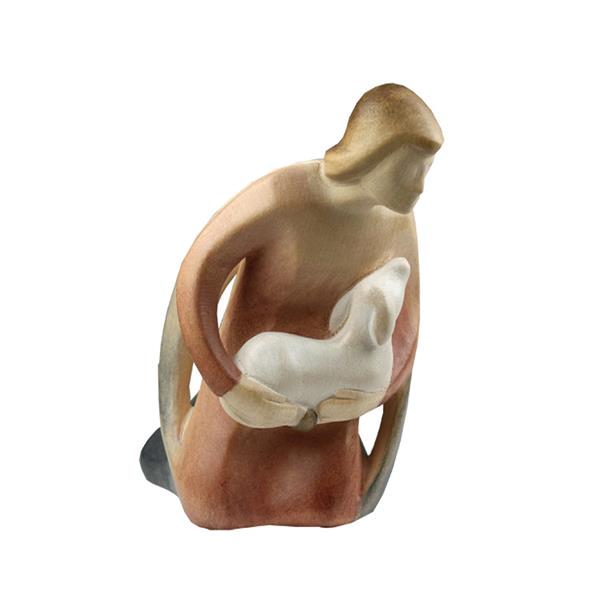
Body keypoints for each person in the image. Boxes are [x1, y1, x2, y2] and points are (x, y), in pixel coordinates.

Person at [147, 83, 443, 529]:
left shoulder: (396, 223)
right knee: (216, 504)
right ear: (372, 156)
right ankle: (188, 456)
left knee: (333, 504)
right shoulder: (280, 200)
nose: (420, 187)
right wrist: (225, 387)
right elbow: (195, 285)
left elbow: (406, 327)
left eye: (427, 170)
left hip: (331, 414)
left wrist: (370, 397)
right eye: (409, 169)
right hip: (249, 398)